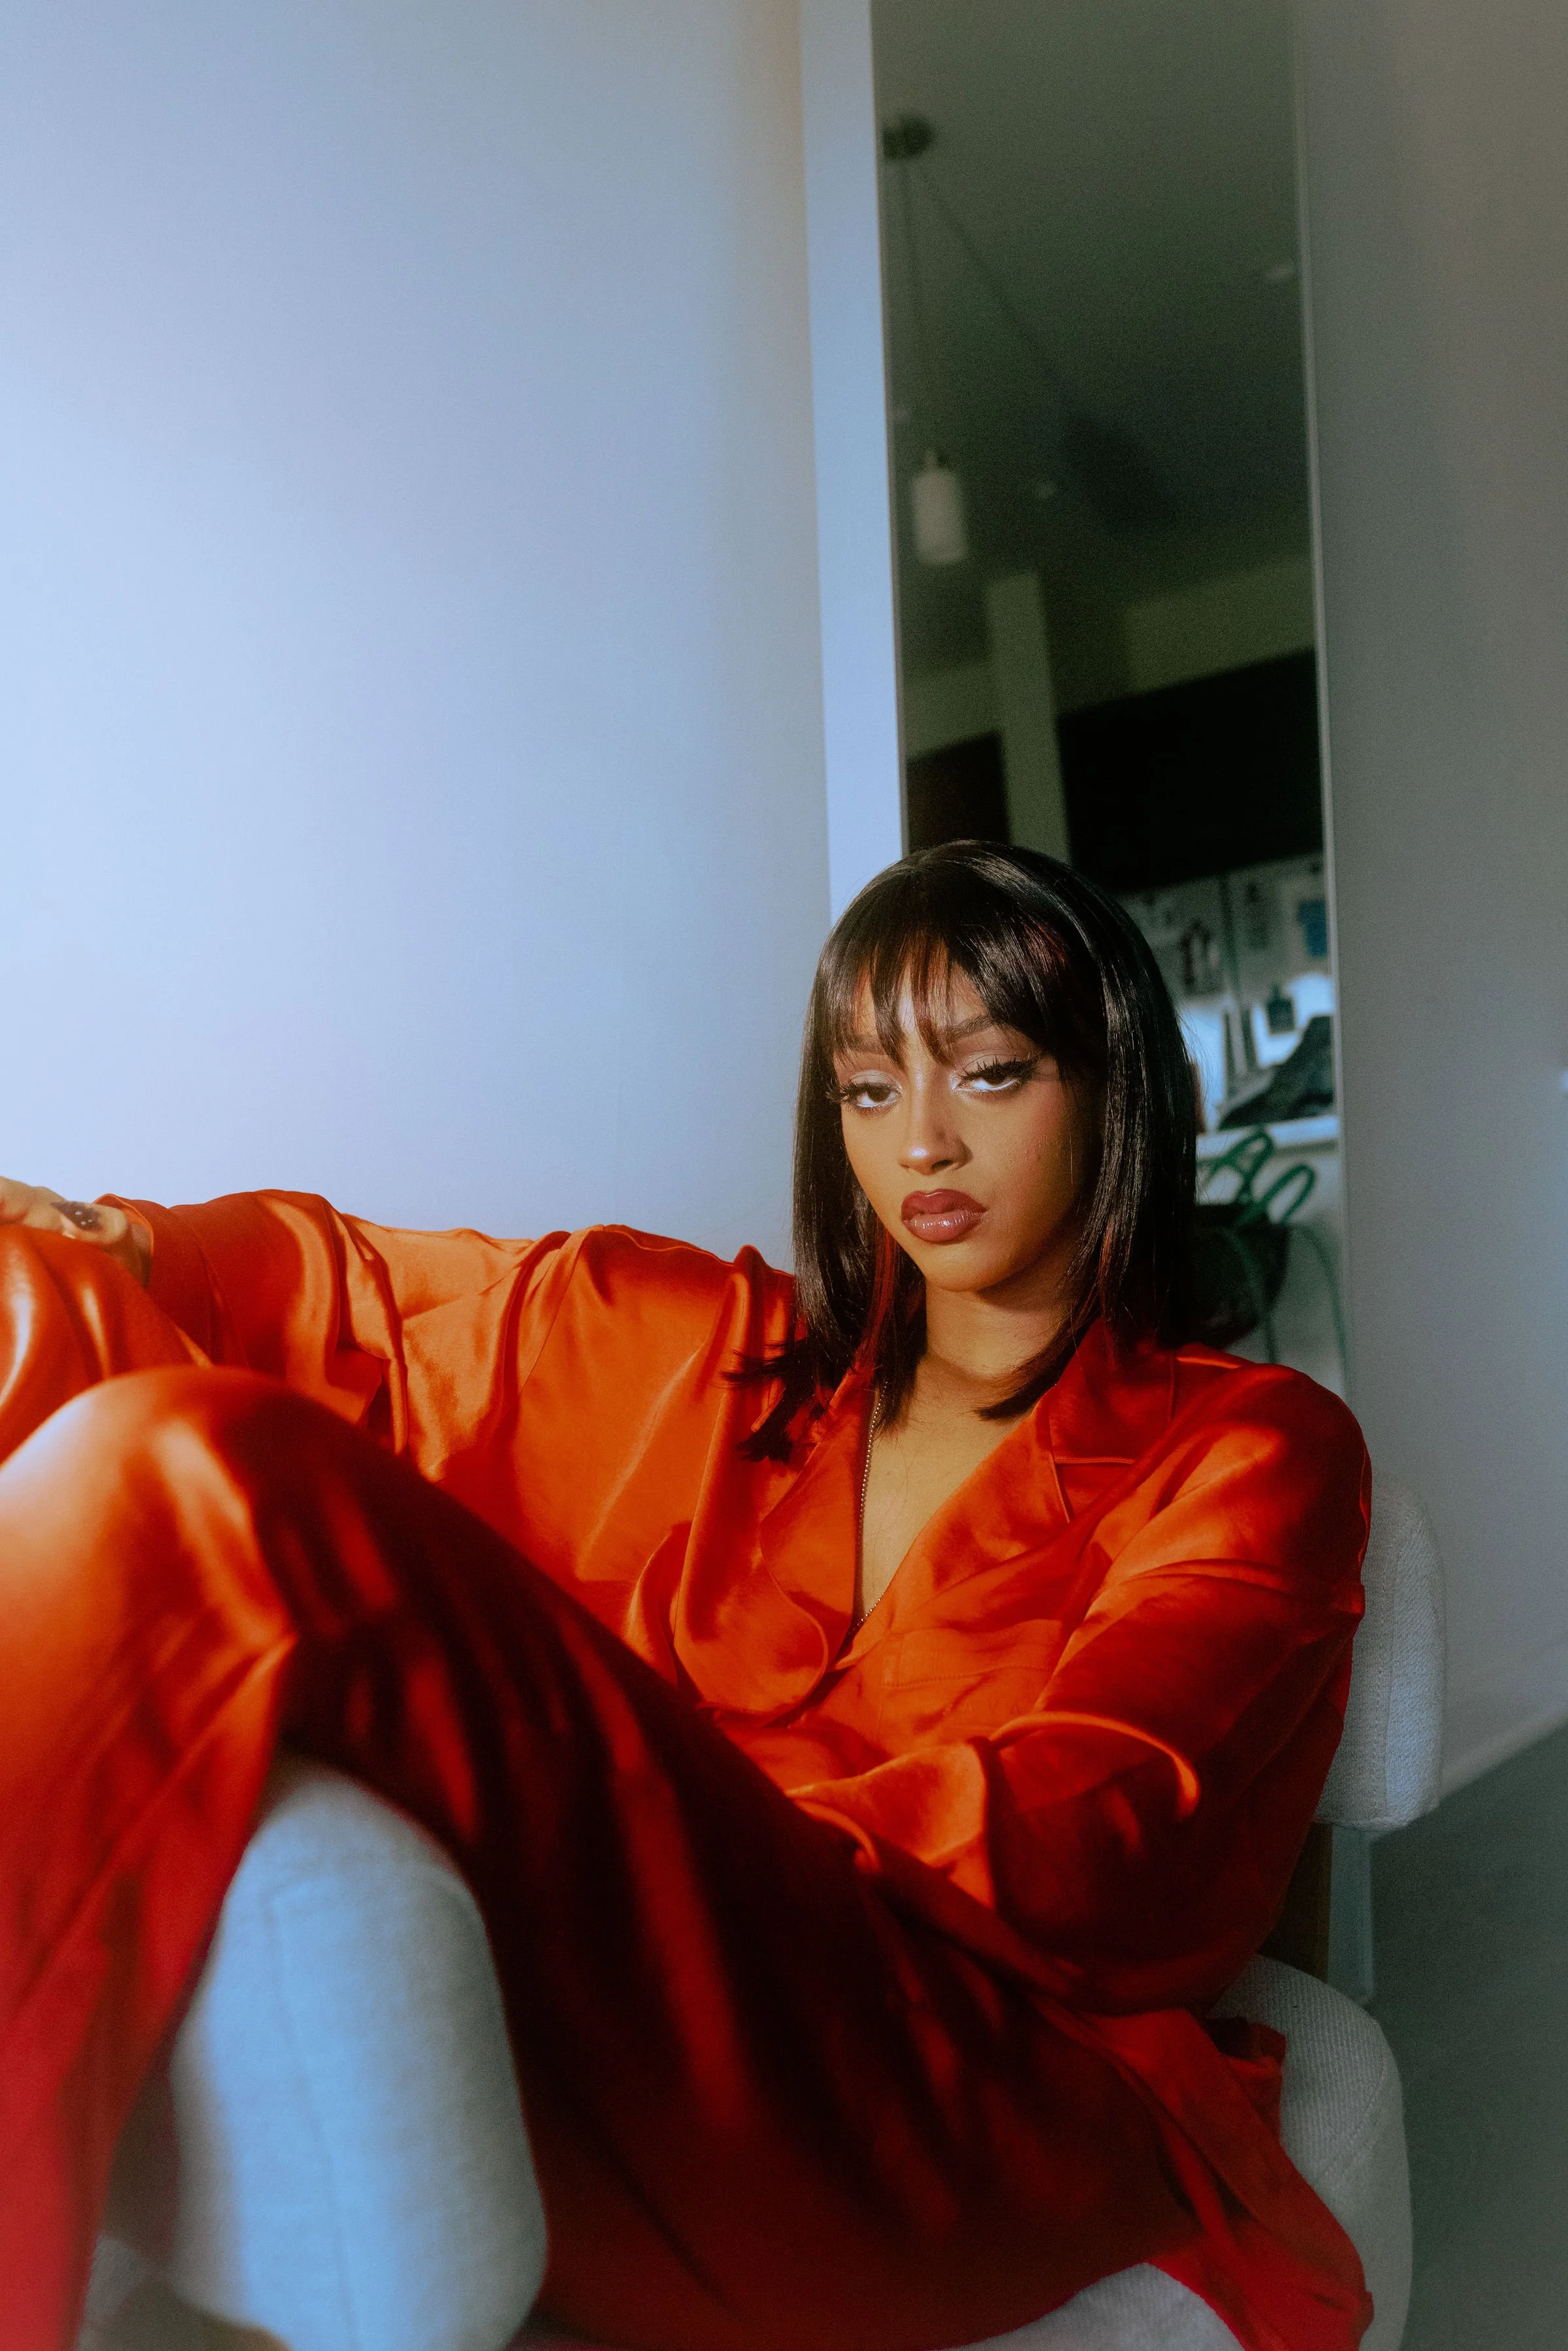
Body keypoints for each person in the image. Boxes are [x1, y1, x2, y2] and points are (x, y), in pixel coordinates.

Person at [0, 844, 1371, 2351]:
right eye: (866, 1089)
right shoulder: (712, 1361)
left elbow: (1102, 1830)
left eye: (988, 1074)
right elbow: (351, 1313)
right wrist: (90, 1245)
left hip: (955, 2104)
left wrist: (658, 1826)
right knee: (105, 1409)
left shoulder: (1254, 1447)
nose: (921, 1142)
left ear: (1114, 1088)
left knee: (190, 1461)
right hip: (659, 2043)